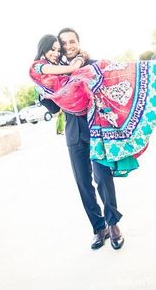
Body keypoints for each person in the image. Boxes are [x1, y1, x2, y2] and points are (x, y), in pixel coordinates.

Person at [31, 32, 125, 250]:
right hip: (74, 132)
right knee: (83, 182)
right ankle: (98, 228)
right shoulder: (56, 74)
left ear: (79, 43)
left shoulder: (91, 65)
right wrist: (42, 93)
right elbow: (55, 109)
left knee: (102, 177)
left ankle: (113, 224)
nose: (67, 46)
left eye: (71, 41)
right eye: (63, 44)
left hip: (96, 129)